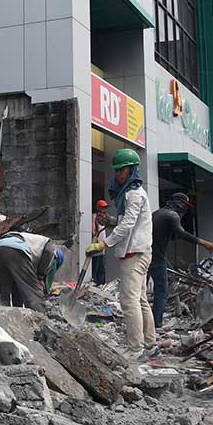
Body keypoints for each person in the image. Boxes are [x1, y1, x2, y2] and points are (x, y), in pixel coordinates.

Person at [86, 148, 156, 359]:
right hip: (139, 251)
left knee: (129, 301)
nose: (118, 175)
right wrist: (111, 221)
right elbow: (127, 223)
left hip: (134, 254)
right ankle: (150, 345)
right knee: (141, 300)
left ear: (132, 169)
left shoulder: (134, 194)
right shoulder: (132, 194)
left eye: (121, 170)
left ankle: (136, 349)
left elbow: (127, 226)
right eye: (116, 171)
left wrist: (103, 244)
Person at [150, 192, 213, 328]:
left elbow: (172, 235)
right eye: (185, 207)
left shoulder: (158, 212)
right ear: (180, 205)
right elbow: (181, 233)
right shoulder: (173, 215)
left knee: (141, 290)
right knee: (161, 290)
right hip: (156, 257)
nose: (185, 211)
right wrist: (204, 242)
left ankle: (143, 322)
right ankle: (156, 323)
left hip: (145, 254)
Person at [0, 231, 65, 311]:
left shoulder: (34, 246)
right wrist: (40, 277)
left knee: (5, 293)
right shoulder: (51, 247)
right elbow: (49, 251)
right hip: (16, 248)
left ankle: (3, 317)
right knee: (33, 292)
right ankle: (40, 317)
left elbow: (19, 287)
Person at [91, 200, 111, 285]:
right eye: (103, 207)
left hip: (103, 244)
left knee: (102, 267)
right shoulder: (95, 216)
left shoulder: (104, 217)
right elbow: (93, 229)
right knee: (95, 266)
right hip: (97, 244)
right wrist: (96, 239)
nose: (104, 209)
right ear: (98, 207)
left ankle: (101, 285)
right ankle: (95, 285)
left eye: (105, 207)